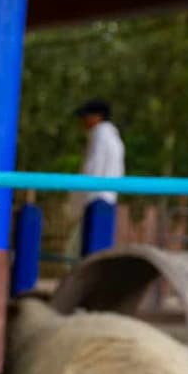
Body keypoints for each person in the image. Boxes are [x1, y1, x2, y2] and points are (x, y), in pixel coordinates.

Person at [73, 98, 124, 256]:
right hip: (108, 197)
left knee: (92, 252)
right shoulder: (113, 135)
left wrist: (77, 197)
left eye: (86, 117)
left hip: (96, 196)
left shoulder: (100, 133)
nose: (84, 122)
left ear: (97, 117)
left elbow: (93, 165)